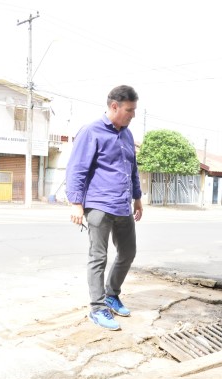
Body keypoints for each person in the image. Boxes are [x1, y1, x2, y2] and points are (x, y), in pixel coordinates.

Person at [66, 85, 143, 331]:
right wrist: (76, 204)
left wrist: (137, 198)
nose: (132, 115)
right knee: (98, 257)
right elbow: (77, 168)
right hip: (99, 205)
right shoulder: (91, 131)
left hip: (122, 205)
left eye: (134, 110)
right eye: (129, 110)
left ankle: (112, 294)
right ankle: (97, 308)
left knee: (128, 253)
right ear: (114, 106)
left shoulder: (127, 135)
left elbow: (132, 169)